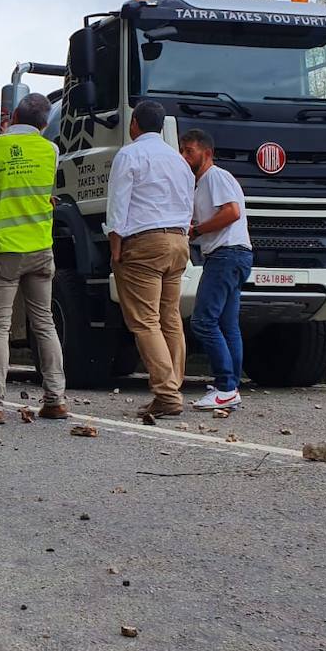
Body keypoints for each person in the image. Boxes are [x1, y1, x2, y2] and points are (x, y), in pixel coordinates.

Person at [0, 93, 68, 425]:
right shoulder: (50, 151)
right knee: (44, 323)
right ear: (44, 123)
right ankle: (55, 399)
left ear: (11, 117)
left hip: (1, 249)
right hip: (39, 248)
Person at [105, 100, 194, 418]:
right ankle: (172, 388)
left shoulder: (129, 154)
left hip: (144, 243)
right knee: (170, 317)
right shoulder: (178, 159)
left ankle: (167, 393)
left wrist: (115, 245)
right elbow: (188, 202)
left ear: (134, 125)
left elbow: (118, 203)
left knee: (145, 321)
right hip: (178, 241)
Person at [179, 128, 252, 409]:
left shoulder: (214, 177)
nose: (184, 157)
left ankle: (225, 386)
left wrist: (198, 230)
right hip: (236, 255)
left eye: (190, 151)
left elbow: (232, 212)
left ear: (206, 153)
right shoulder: (204, 182)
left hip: (225, 254)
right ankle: (231, 386)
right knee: (227, 324)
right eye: (182, 151)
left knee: (203, 321)